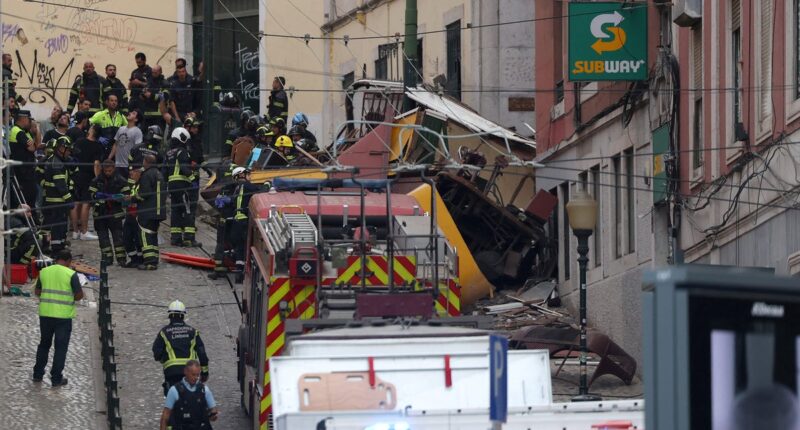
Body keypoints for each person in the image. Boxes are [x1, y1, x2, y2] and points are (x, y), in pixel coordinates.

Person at [32, 249, 84, 387]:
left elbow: (37, 292)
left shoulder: (44, 272)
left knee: (44, 345)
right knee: (60, 348)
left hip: (46, 314)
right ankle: (56, 378)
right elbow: (79, 295)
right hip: (63, 317)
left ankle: (37, 374)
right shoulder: (71, 274)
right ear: (68, 261)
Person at [152, 301, 210, 395]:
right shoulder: (193, 332)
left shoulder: (164, 332)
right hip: (190, 371)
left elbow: (157, 354)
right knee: (193, 399)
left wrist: (164, 358)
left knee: (171, 401)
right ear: (183, 316)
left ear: (170, 316)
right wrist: (205, 373)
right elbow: (202, 353)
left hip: (171, 372)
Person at [221, 167, 262, 283]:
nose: (249, 176)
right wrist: (267, 186)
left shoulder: (236, 189)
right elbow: (259, 194)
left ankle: (239, 273)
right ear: (241, 175)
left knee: (239, 248)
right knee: (246, 246)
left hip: (235, 222)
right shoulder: (247, 186)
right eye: (247, 174)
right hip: (244, 222)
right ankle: (245, 272)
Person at [89, 160, 129, 266]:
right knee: (103, 238)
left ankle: (121, 259)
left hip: (115, 213)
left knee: (118, 238)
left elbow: (126, 196)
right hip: (100, 213)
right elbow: (90, 195)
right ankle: (107, 258)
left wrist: (115, 198)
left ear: (114, 169)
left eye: (110, 171)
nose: (107, 173)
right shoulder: (97, 180)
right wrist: (96, 196)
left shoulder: (121, 180)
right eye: (106, 171)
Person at [159, 360, 218, 430]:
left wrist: (213, 415)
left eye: (198, 375)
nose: (196, 378)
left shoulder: (205, 390)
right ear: (185, 372)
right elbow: (165, 415)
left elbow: (213, 411)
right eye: (193, 374)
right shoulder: (174, 391)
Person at [41, 136, 74, 253]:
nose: (69, 152)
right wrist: (69, 199)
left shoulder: (57, 161)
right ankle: (57, 249)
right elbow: (61, 185)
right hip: (57, 201)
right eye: (68, 150)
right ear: (61, 148)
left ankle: (60, 246)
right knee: (57, 226)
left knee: (61, 225)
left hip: (56, 200)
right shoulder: (57, 164)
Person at [165, 127, 198, 247]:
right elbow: (184, 169)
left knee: (176, 211)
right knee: (187, 210)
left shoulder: (168, 153)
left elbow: (165, 171)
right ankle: (189, 238)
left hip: (172, 186)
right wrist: (193, 180)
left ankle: (175, 238)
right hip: (182, 185)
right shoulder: (183, 152)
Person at [70, 124, 103, 241]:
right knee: (86, 203)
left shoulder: (79, 142)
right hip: (88, 176)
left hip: (76, 174)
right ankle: (84, 231)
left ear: (92, 131)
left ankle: (75, 231)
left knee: (75, 203)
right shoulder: (98, 146)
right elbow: (96, 164)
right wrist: (98, 179)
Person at [134, 154, 166, 270]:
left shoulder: (147, 175)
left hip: (147, 211)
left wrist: (133, 198)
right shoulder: (159, 174)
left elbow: (145, 194)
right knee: (153, 235)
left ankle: (149, 262)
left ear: (146, 162)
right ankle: (154, 259)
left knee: (145, 235)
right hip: (158, 212)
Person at [9, 110, 41, 208]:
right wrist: (34, 144)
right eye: (29, 120)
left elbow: (37, 145)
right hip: (22, 174)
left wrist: (37, 130)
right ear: (23, 119)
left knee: (32, 197)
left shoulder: (24, 132)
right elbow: (32, 148)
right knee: (27, 200)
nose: (30, 123)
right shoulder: (17, 131)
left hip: (27, 172)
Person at [90, 93, 128, 159]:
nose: (114, 103)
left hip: (116, 149)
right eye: (112, 101)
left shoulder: (121, 116)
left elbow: (128, 129)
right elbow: (88, 125)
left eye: (116, 101)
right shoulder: (100, 114)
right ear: (107, 102)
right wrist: (97, 137)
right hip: (102, 148)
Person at [130, 64, 167, 130]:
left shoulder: (164, 83)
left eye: (155, 72)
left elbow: (164, 97)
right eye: (152, 72)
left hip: (158, 115)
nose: (153, 74)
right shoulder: (149, 82)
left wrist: (151, 95)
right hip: (146, 114)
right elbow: (143, 93)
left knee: (157, 136)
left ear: (160, 72)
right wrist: (143, 95)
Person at [109, 110, 143, 178]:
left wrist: (134, 166)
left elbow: (138, 148)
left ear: (136, 119)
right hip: (118, 164)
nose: (130, 113)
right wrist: (109, 158)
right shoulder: (121, 129)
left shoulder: (138, 131)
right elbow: (116, 144)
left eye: (133, 113)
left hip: (128, 166)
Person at [122, 165, 142, 267]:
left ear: (139, 172)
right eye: (130, 172)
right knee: (126, 237)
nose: (131, 174)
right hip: (130, 215)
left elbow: (141, 197)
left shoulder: (142, 184)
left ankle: (140, 259)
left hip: (138, 215)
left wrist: (131, 198)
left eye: (133, 172)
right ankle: (133, 258)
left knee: (138, 239)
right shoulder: (134, 185)